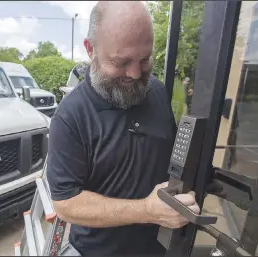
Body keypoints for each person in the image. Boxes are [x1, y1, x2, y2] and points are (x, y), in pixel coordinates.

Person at [46, 2, 200, 256]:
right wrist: (147, 211)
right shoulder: (70, 117)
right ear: (90, 49)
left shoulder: (157, 91)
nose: (136, 73)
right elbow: (66, 203)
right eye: (121, 62)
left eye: (145, 59)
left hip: (161, 248)